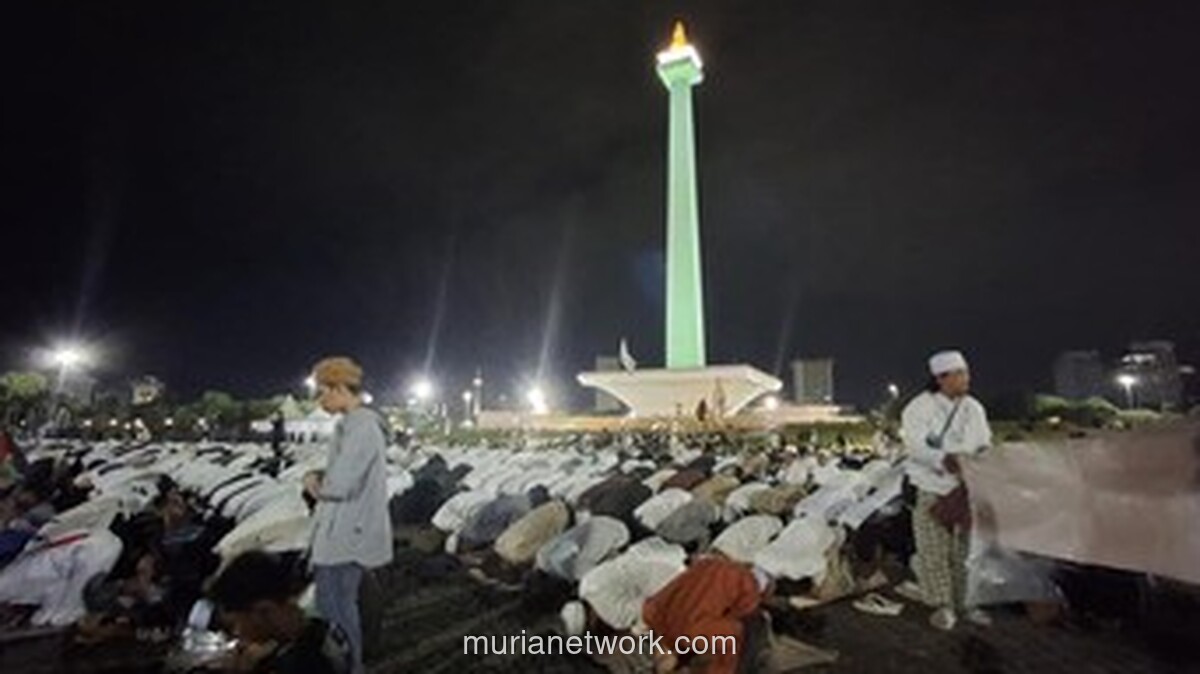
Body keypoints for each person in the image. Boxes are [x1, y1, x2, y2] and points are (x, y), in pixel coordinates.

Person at [302, 357, 392, 674]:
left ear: (340, 388)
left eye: (323, 391)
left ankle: (350, 666)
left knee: (336, 608)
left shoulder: (361, 427)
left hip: (347, 534)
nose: (320, 399)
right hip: (344, 532)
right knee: (336, 606)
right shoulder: (352, 425)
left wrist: (313, 482)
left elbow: (341, 483)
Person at [900, 350, 993, 631]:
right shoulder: (918, 407)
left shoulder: (974, 407)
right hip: (930, 486)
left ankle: (968, 603)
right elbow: (916, 446)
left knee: (967, 550)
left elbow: (984, 441)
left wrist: (980, 459)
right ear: (941, 378)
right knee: (933, 549)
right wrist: (944, 460)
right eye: (960, 373)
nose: (967, 378)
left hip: (966, 489)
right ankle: (942, 605)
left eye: (966, 372)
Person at [209, 551, 353, 674]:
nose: (237, 633)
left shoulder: (303, 663)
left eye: (235, 623)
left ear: (264, 610)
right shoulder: (320, 627)